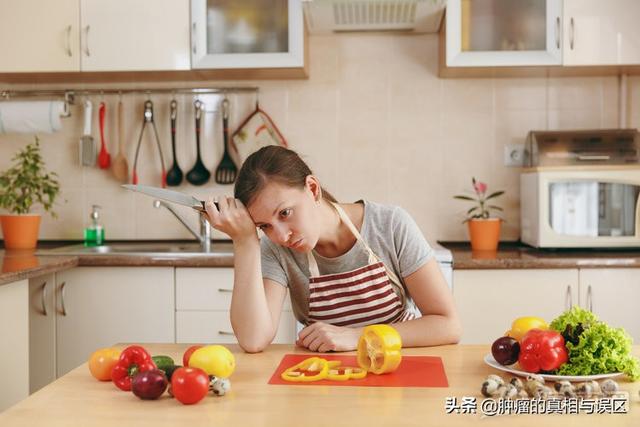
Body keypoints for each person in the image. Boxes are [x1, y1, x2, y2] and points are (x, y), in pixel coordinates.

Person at [204, 146, 462, 353]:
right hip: (324, 378)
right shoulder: (276, 250)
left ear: (312, 189)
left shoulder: (389, 225)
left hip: (395, 366)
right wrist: (245, 241)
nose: (281, 235)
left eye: (285, 212)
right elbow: (253, 340)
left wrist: (357, 337)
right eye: (265, 226)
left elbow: (447, 325)